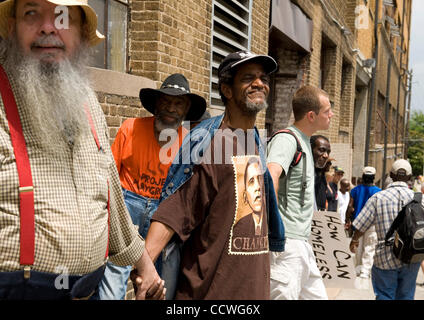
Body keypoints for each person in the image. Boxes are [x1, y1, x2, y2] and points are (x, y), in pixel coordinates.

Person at [0, 0, 164, 299]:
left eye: (63, 17)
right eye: (32, 13)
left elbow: (109, 191)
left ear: (80, 33)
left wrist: (144, 265)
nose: (49, 27)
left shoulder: (86, 101)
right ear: (12, 27)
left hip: (85, 291)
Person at [139, 50, 285, 299]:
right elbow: (175, 210)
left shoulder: (256, 140)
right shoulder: (207, 142)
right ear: (227, 90)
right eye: (248, 78)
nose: (259, 83)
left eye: (263, 78)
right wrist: (143, 269)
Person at [95, 74, 206, 300]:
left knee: (162, 286)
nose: (170, 108)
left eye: (178, 104)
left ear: (186, 110)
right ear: (156, 104)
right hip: (128, 210)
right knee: (113, 281)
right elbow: (110, 179)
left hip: (165, 217)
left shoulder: (190, 142)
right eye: (165, 101)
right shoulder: (131, 128)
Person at [267, 85, 333, 300]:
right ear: (311, 115)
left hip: (302, 244)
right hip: (287, 245)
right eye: (327, 111)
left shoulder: (305, 141)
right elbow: (270, 176)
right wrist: (275, 229)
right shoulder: (287, 139)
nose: (331, 115)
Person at [350, 159, 424, 300]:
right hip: (411, 256)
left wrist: (354, 240)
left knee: (384, 295)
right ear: (410, 177)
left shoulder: (378, 198)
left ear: (391, 175)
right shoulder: (421, 200)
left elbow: (361, 225)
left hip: (384, 256)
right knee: (406, 296)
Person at [345, 166, 381, 278]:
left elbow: (350, 207)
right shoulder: (378, 192)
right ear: (374, 178)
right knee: (369, 247)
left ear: (363, 176)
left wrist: (348, 220)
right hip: (372, 224)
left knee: (358, 246)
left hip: (358, 223)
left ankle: (358, 268)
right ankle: (365, 271)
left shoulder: (355, 190)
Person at [310, 135, 331, 211]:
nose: (326, 155)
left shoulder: (320, 174)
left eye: (328, 152)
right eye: (322, 150)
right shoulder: (304, 173)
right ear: (310, 149)